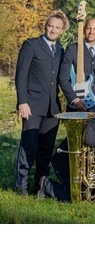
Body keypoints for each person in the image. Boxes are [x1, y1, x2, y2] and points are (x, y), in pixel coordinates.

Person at [14, 10, 69, 195]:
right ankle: (21, 186)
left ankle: (41, 186)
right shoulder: (32, 45)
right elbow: (21, 75)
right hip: (32, 106)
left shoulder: (61, 50)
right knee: (28, 146)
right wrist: (22, 101)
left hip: (52, 109)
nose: (53, 30)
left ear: (62, 31)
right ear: (45, 26)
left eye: (57, 27)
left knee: (46, 150)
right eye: (50, 26)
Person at [38, 87, 95, 201]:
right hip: (69, 162)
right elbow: (88, 138)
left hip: (92, 162)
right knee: (76, 198)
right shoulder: (91, 116)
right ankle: (46, 184)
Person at [58, 17, 95, 112]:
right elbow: (63, 78)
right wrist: (74, 99)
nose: (91, 32)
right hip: (76, 105)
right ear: (84, 30)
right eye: (89, 28)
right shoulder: (72, 49)